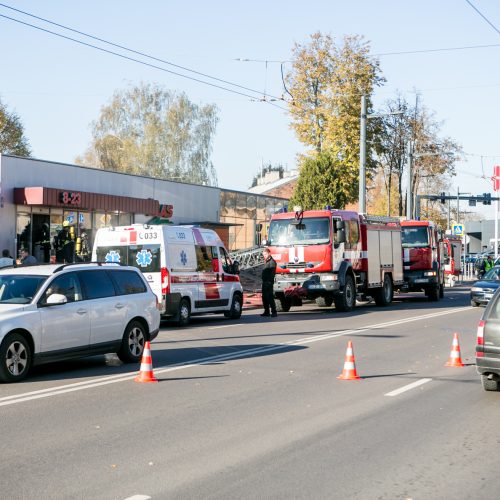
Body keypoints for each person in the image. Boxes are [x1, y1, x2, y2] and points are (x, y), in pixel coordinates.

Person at [261, 247, 277, 317]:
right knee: (264, 297)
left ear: (269, 254)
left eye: (265, 254)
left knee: (270, 297)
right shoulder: (266, 261)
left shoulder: (272, 262)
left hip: (269, 282)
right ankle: (266, 311)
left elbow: (272, 273)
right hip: (264, 282)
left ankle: (274, 312)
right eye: (263, 254)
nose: (264, 255)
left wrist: (269, 281)